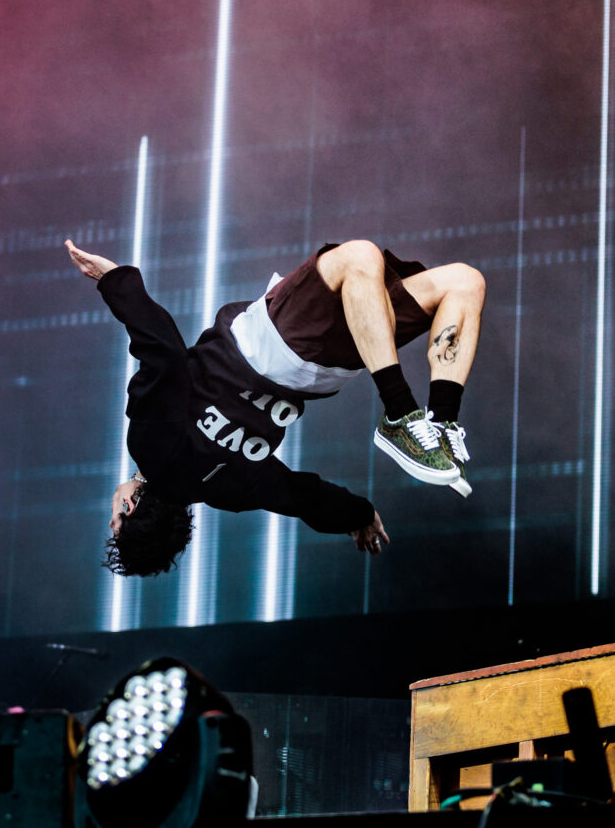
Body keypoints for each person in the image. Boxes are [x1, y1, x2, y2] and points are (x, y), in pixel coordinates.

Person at [65, 237, 485, 576]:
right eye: (116, 522)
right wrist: (115, 280)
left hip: (327, 370)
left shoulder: (224, 490)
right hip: (270, 343)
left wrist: (359, 513)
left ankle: (442, 420)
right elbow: (163, 353)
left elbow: (301, 496)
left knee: (463, 283)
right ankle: (401, 415)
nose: (111, 518)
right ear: (130, 507)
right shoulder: (150, 446)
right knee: (359, 255)